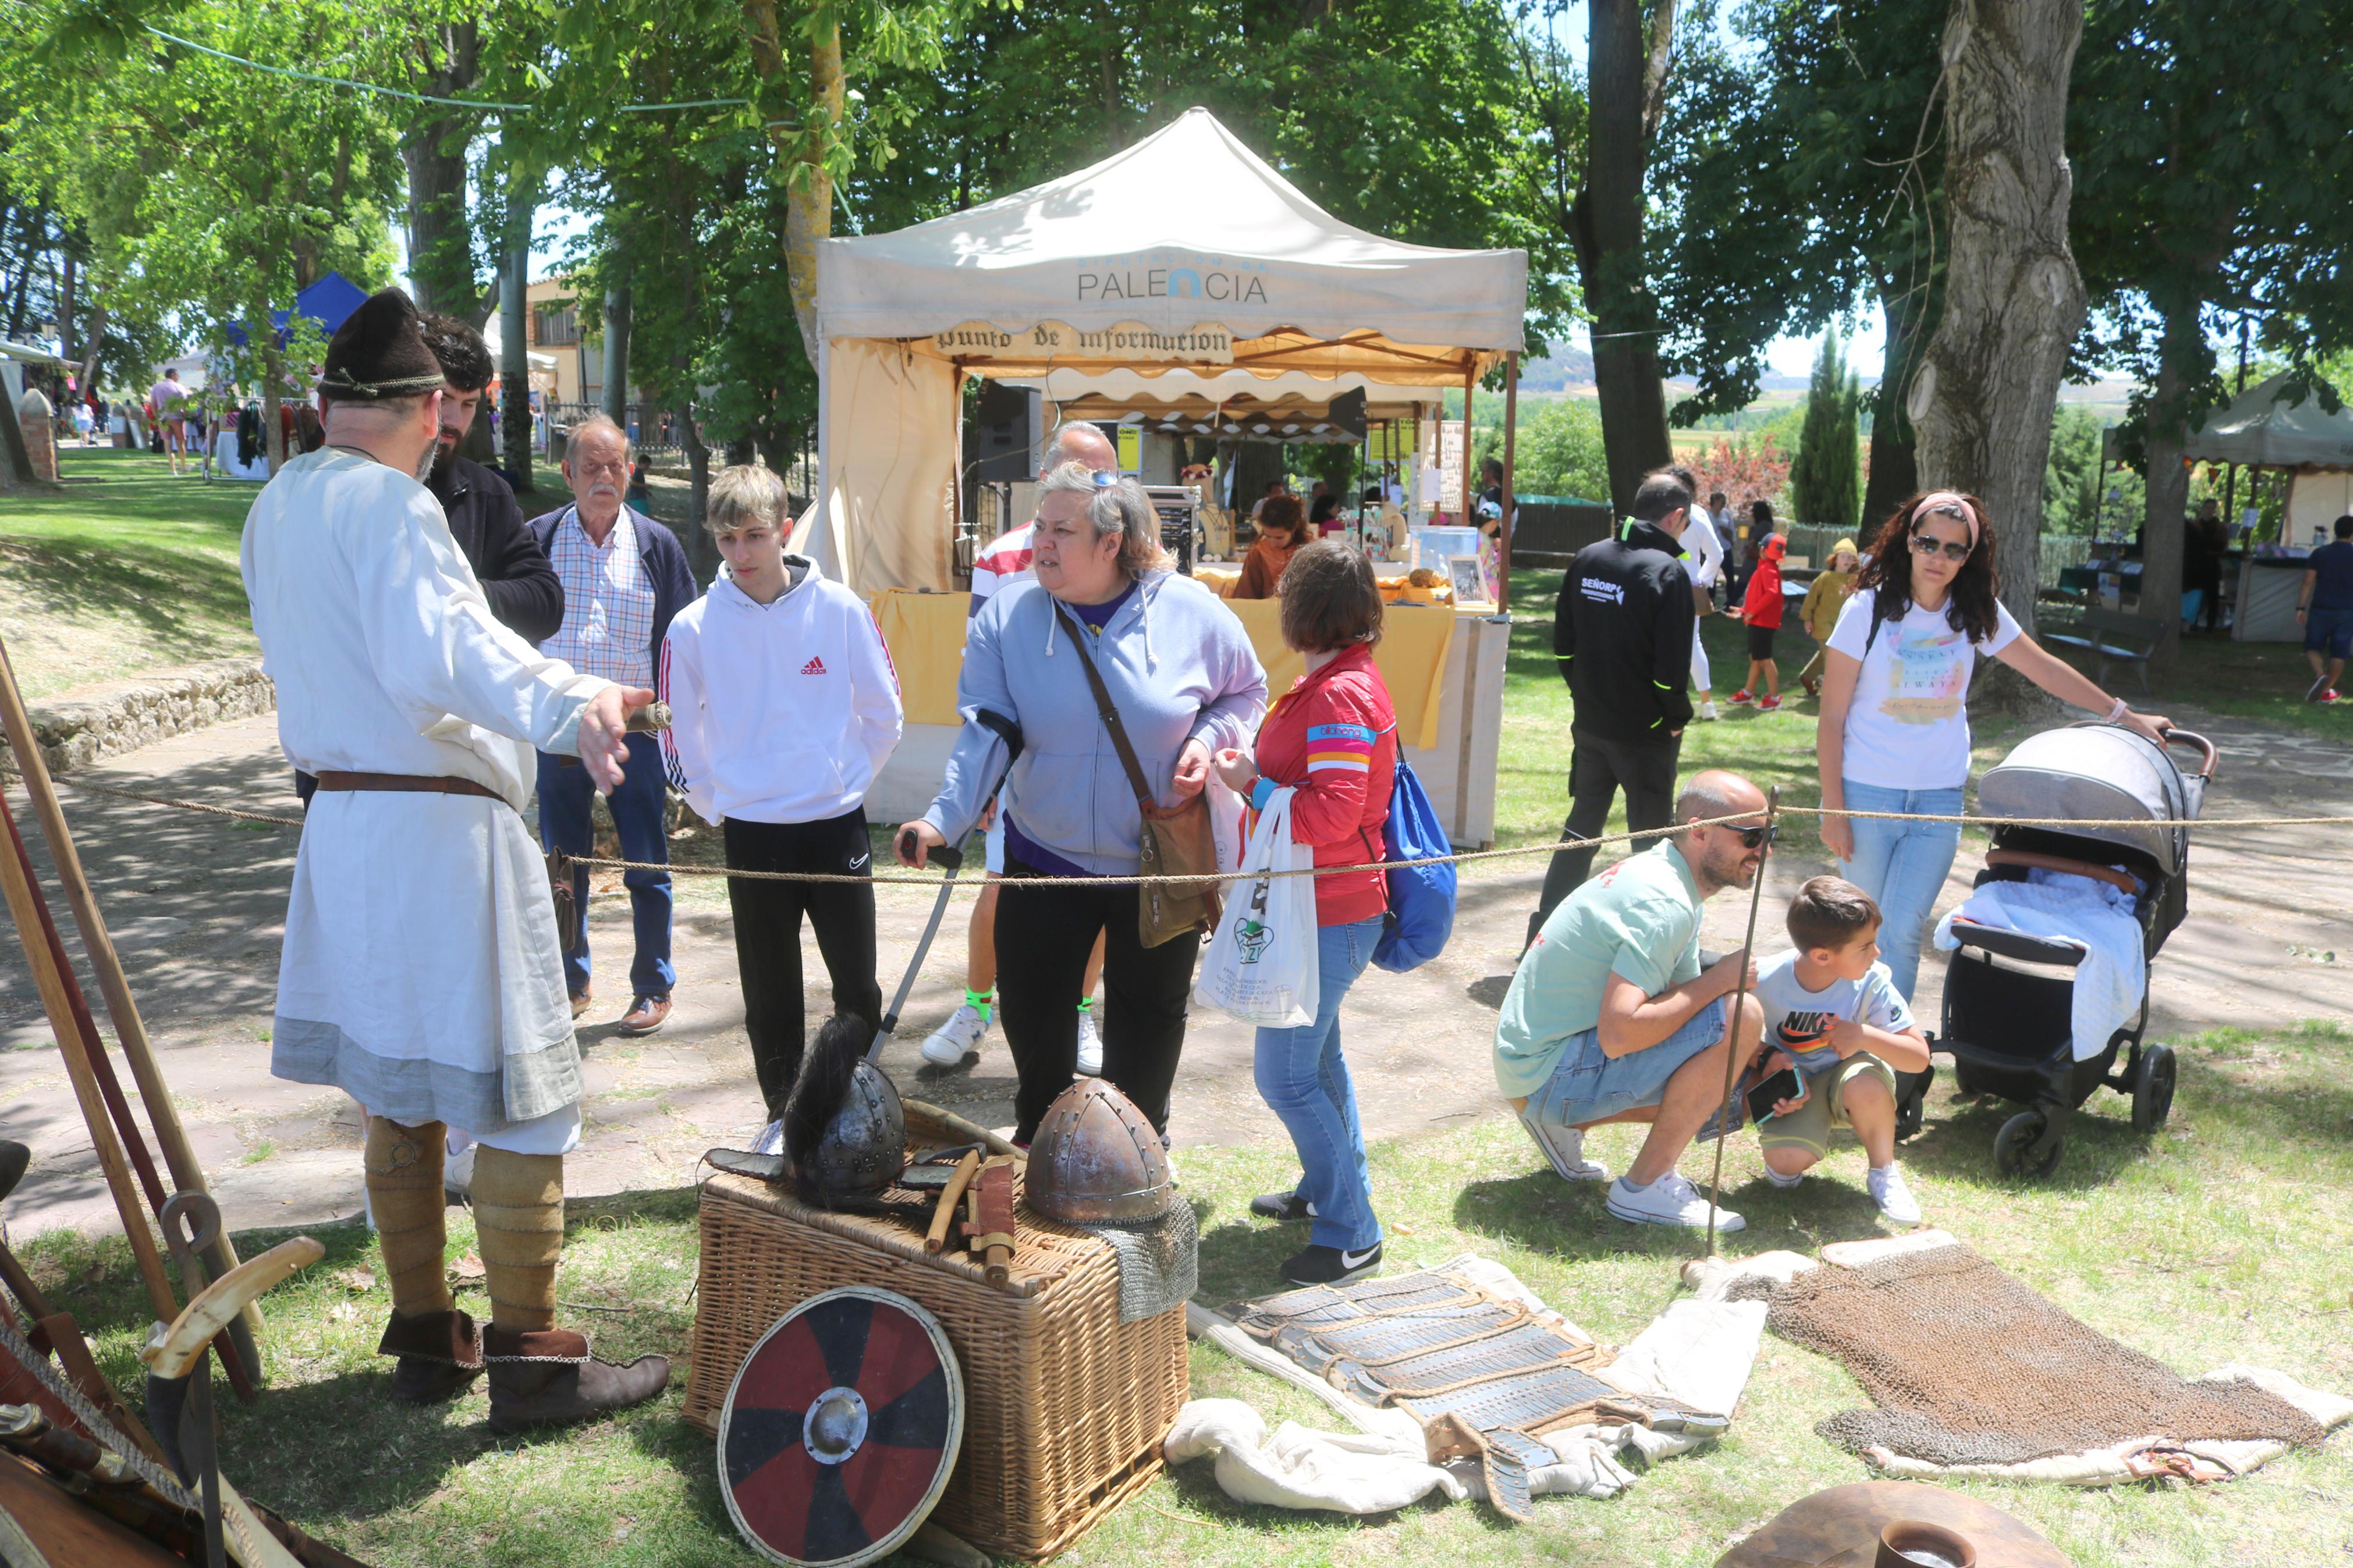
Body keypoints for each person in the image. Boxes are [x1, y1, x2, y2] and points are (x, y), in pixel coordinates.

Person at [241, 286, 668, 1430]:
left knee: (399, 1087)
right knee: (519, 1091)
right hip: (437, 830)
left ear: (330, 403)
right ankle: (532, 1363)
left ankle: (428, 1337)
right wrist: (582, 699)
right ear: (430, 408)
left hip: (349, 825)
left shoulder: (276, 504)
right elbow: (456, 651)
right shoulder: (392, 507)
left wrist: (581, 694)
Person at [897, 464, 1267, 1146]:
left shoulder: (1192, 610)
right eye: (1039, 525)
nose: (1041, 542)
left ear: (1110, 542)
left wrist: (1208, 737)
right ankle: (1043, 1155)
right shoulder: (1007, 618)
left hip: (1154, 864)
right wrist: (943, 818)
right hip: (1045, 860)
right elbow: (988, 728)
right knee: (1037, 1029)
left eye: (1062, 530)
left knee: (1147, 1028)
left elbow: (1246, 691)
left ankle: (1141, 1158)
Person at [1816, 491, 2172, 1003]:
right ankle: (1845, 1043)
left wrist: (2126, 716)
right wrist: (1833, 804)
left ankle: (1887, 1053)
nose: (1938, 557)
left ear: (1969, 557)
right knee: (1860, 931)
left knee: (1904, 930)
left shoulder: (1973, 611)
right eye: (1928, 542)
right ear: (1908, 542)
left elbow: (2044, 668)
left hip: (1938, 798)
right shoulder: (1865, 609)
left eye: (1954, 549)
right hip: (1867, 793)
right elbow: (1830, 716)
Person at [661, 464, 902, 1145]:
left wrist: (843, 783)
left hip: (833, 826)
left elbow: (885, 710)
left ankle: (853, 1103)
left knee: (855, 982)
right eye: (727, 538)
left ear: (785, 531)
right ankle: (779, 1116)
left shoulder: (841, 608)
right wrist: (722, 803)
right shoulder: (693, 626)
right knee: (769, 990)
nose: (741, 554)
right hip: (751, 831)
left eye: (756, 536)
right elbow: (676, 732)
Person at [1213, 542, 1399, 1286]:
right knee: (1319, 1063)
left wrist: (1248, 786)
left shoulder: (1339, 695)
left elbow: (1330, 815)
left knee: (1286, 1079)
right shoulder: (1336, 680)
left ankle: (1352, 1232)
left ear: (1303, 610)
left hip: (1328, 911)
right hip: (1318, 906)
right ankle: (1326, 1189)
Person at [924, 421, 1119, 1073]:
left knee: (1097, 896)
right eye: (1077, 472)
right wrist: (981, 780)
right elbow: (980, 674)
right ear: (1045, 478)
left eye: (1103, 477)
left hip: (1102, 769)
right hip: (1024, 764)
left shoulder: (1127, 552)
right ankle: (977, 1005)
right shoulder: (1000, 558)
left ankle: (1078, 1011)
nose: (1093, 488)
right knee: (1001, 887)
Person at [1498, 771, 1770, 1231]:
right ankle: (1643, 1188)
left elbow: (1674, 1006)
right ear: (1699, 831)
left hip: (1526, 1065)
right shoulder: (1663, 902)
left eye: (1769, 835)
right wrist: (1722, 979)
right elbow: (1621, 1032)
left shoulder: (1664, 871)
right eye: (1752, 835)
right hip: (1545, 1077)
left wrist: (1760, 1058)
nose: (1761, 850)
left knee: (1732, 1072)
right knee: (1742, 1014)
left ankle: (1565, 1124)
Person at [527, 415, 698, 1034]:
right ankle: (570, 981)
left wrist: (677, 726)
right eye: (591, 467)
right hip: (561, 730)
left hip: (637, 731)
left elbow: (684, 640)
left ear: (630, 471)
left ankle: (652, 986)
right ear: (567, 473)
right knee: (563, 863)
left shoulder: (657, 544)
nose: (604, 477)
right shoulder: (537, 539)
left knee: (646, 862)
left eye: (615, 465)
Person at [1527, 472, 1697, 945]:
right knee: (1650, 845)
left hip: (1592, 725)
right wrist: (1674, 719)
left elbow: (1563, 647)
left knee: (1580, 831)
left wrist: (1585, 692)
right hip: (1644, 733)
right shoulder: (1667, 571)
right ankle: (1648, 944)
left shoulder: (1588, 557)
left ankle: (1542, 936)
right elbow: (1669, 671)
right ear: (1676, 516)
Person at [1749, 877, 1930, 1224]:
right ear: (1821, 956)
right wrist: (1769, 1059)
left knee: (1865, 1083)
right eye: (1865, 947)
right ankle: (1798, 1141)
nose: (1876, 953)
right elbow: (1729, 1029)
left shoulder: (1872, 980)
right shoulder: (1768, 977)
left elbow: (1918, 1057)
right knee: (1784, 1167)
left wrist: (1862, 1036)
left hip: (1855, 1079)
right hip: (1801, 1087)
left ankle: (1883, 1172)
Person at [418, 315, 564, 643]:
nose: (454, 420)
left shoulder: (488, 493)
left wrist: (461, 596)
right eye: (444, 400)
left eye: (469, 404)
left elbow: (545, 602)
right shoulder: (365, 488)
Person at [1660, 464, 1724, 720]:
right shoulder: (1697, 514)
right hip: (1685, 586)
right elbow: (1717, 554)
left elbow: (1716, 555)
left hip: (1657, 582)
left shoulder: (1658, 511)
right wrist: (1701, 582)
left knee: (1660, 641)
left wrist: (1701, 582)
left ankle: (1664, 698)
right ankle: (1706, 704)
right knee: (1692, 645)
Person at [2298, 513, 2353, 703]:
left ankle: (2320, 675)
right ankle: (2326, 690)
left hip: (2321, 606)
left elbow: (2308, 582)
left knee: (2312, 647)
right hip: (2347, 610)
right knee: (2339, 653)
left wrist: (2300, 607)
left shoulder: (2320, 553)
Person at [1795, 538, 1859, 698]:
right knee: (1833, 658)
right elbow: (1811, 598)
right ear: (1835, 559)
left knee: (1826, 654)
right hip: (1823, 624)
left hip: (1842, 626)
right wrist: (1807, 619)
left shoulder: (1855, 580)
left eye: (1850, 557)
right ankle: (1834, 695)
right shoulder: (1825, 577)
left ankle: (1807, 677)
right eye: (1843, 556)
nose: (1847, 560)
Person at [1732, 527, 1787, 710]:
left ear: (1763, 549)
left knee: (1764, 659)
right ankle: (1748, 693)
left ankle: (1774, 698)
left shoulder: (1768, 570)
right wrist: (1744, 610)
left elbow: (1772, 594)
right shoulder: (1766, 568)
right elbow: (1759, 595)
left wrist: (1752, 612)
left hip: (1763, 622)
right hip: (1758, 620)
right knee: (1756, 658)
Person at [1233, 493, 1309, 599]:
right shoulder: (1259, 553)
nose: (1273, 543)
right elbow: (1246, 596)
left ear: (1294, 528)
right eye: (1268, 536)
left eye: (1279, 538)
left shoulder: (1311, 552)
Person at [148, 367, 188, 474]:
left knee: (167, 444)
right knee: (181, 444)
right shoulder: (179, 387)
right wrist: (184, 416)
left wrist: (158, 417)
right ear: (173, 375)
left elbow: (153, 405)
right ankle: (184, 467)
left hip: (163, 418)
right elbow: (184, 405)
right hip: (177, 417)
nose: (178, 378)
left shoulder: (157, 387)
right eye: (177, 376)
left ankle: (173, 469)